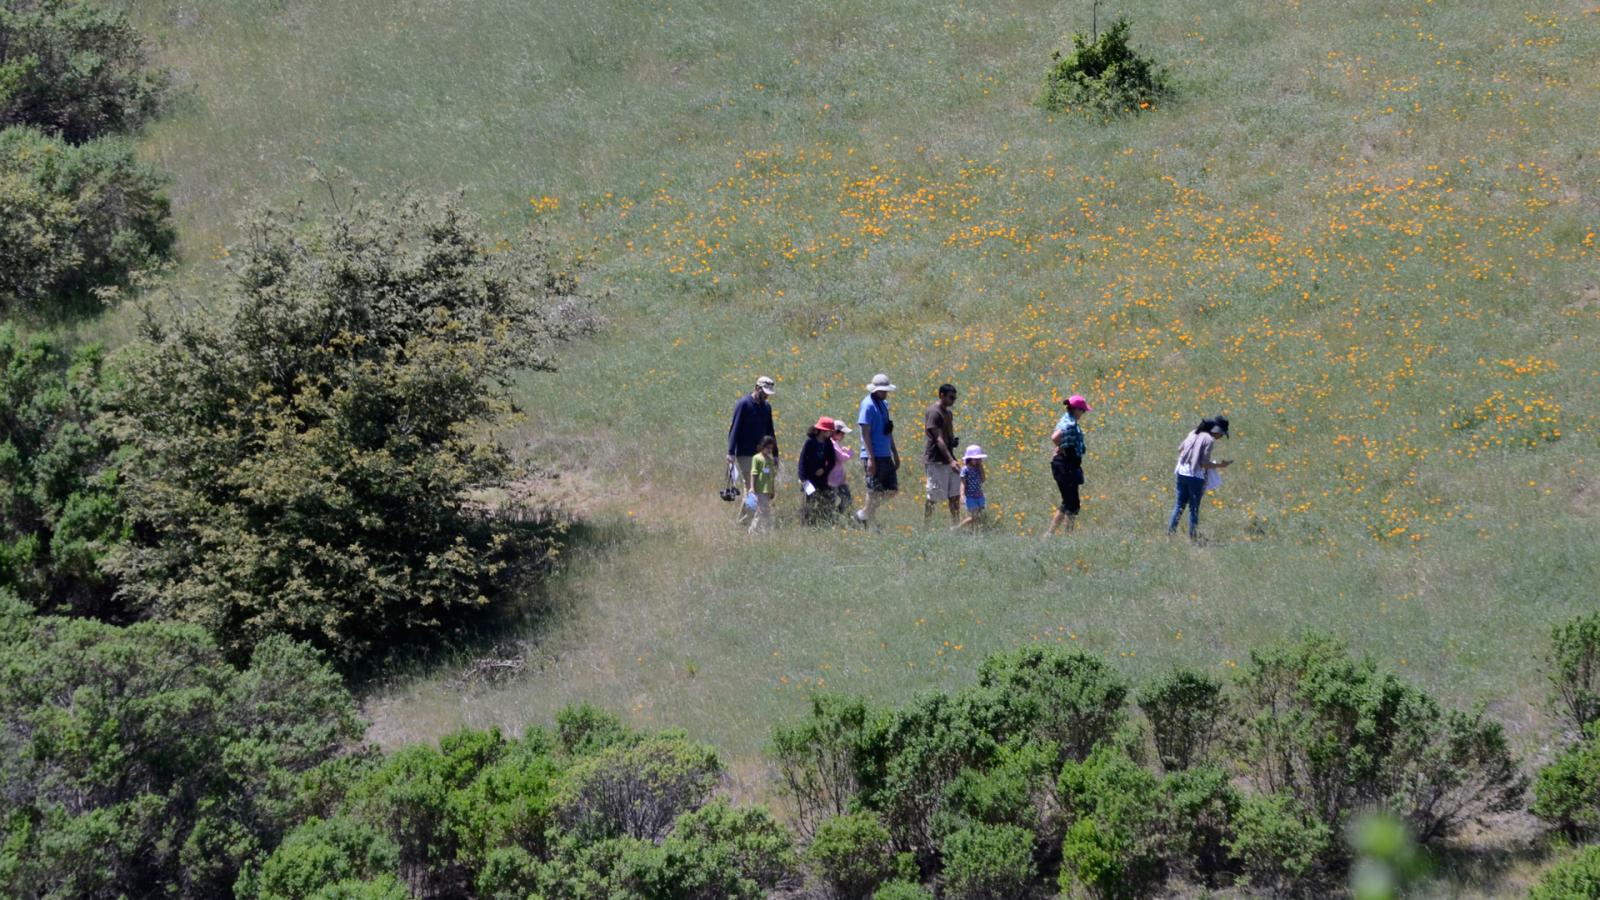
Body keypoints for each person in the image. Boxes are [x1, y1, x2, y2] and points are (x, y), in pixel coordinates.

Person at [1169, 415, 1231, 540]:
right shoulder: (1209, 439)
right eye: (1222, 435)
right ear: (1218, 432)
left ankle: (1170, 535)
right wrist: (1220, 465)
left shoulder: (1193, 432)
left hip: (1181, 472)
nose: (1221, 437)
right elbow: (1204, 463)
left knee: (1179, 505)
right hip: (1195, 476)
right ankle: (1193, 538)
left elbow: (1179, 449)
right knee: (1194, 508)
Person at [727, 376, 777, 526]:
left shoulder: (766, 407)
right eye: (765, 392)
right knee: (751, 488)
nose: (767, 395)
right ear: (757, 388)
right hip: (745, 453)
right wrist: (730, 452)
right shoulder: (743, 404)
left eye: (769, 393)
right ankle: (745, 523)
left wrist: (775, 454)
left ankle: (743, 523)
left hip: (762, 455)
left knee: (757, 488)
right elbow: (734, 428)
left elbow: (770, 431)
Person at [855, 373, 899, 526]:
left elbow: (888, 430)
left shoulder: (884, 404)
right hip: (874, 454)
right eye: (883, 390)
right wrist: (870, 458)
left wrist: (895, 453)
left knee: (892, 489)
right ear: (875, 390)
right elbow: (865, 433)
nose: (885, 393)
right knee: (874, 489)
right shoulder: (867, 405)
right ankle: (868, 519)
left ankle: (864, 514)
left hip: (885, 453)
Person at [1048, 394, 1092, 535]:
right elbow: (1055, 437)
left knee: (1068, 501)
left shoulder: (1067, 419)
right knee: (1073, 504)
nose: (1083, 413)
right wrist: (1062, 448)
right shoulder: (1070, 423)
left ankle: (1050, 534)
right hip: (1065, 466)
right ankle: (1068, 535)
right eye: (1083, 411)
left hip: (1067, 465)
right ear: (1076, 409)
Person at [923, 383, 962, 526]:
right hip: (936, 460)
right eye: (951, 397)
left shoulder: (948, 413)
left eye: (955, 398)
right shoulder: (934, 412)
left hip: (949, 457)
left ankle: (956, 526)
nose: (953, 401)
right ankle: (926, 526)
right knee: (933, 495)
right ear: (941, 395)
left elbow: (947, 435)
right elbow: (938, 439)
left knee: (955, 495)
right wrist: (951, 461)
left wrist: (952, 441)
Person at [798, 417, 839, 525]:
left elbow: (831, 461)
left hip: (822, 477)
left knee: (827, 498)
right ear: (822, 430)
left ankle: (825, 520)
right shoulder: (810, 442)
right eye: (829, 431)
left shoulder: (828, 443)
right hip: (809, 478)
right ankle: (805, 523)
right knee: (808, 501)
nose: (830, 433)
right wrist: (803, 478)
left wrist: (824, 470)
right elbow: (802, 460)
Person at [748, 435, 778, 534]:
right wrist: (752, 487)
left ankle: (764, 531)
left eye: (771, 448)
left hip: (767, 490)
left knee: (765, 511)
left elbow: (772, 476)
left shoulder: (770, 460)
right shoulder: (757, 458)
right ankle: (753, 531)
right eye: (767, 448)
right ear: (762, 446)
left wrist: (772, 489)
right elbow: (754, 473)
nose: (769, 450)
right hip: (760, 489)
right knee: (761, 511)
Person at [828, 418, 854, 519]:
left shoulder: (835, 443)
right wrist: (849, 452)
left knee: (846, 499)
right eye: (842, 433)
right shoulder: (832, 443)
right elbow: (841, 457)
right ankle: (834, 516)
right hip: (833, 479)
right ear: (835, 432)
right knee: (840, 499)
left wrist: (842, 449)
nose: (844, 435)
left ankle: (835, 515)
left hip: (838, 478)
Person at [957, 444, 987, 530]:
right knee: (974, 517)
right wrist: (962, 495)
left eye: (979, 459)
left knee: (978, 516)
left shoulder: (978, 468)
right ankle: (957, 528)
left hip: (979, 495)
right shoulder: (965, 469)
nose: (978, 461)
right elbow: (963, 483)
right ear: (969, 459)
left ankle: (975, 532)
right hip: (970, 496)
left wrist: (981, 467)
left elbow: (983, 479)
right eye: (976, 459)